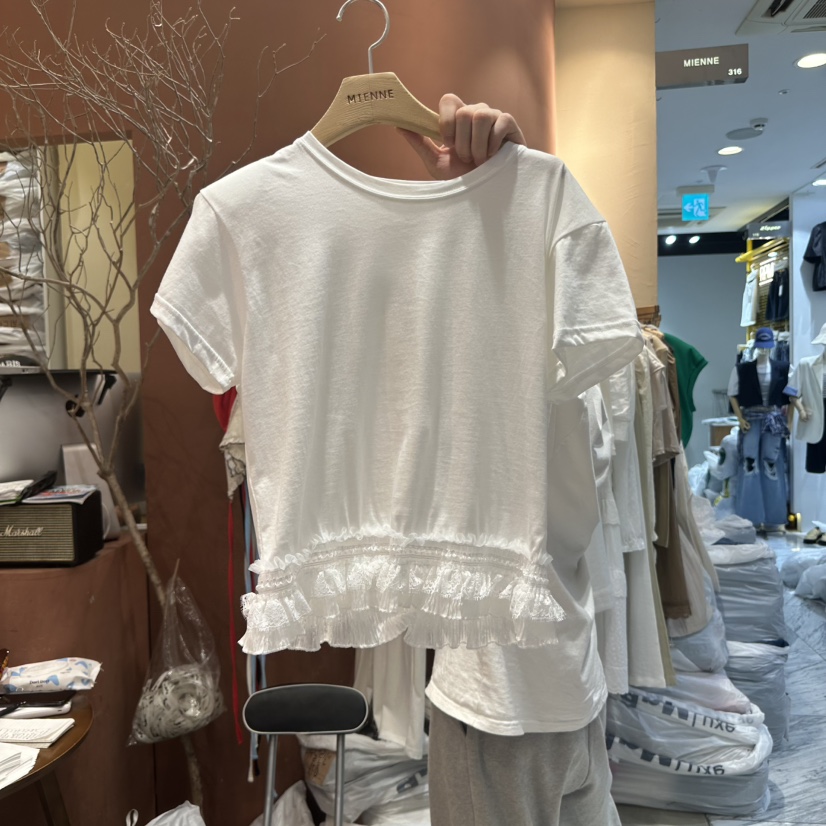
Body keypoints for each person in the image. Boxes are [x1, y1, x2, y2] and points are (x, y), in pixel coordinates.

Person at [400, 97, 624, 826]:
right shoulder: (564, 361)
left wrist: (507, 195)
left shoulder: (540, 341)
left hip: (531, 694)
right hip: (535, 690)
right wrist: (494, 202)